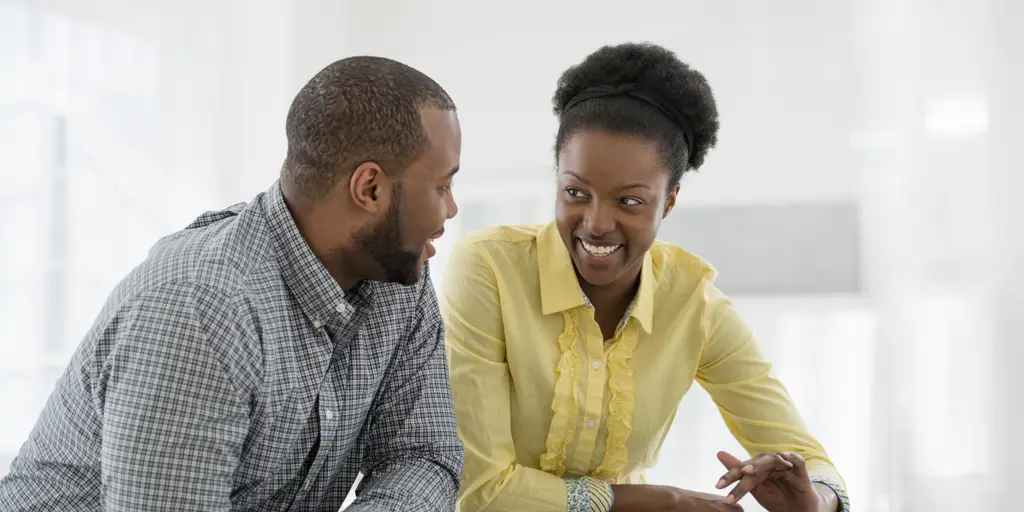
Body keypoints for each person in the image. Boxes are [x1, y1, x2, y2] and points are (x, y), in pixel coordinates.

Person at [0, 56, 464, 511]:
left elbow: (424, 457)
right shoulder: (200, 305)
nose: (451, 211)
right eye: (441, 187)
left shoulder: (398, 274)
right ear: (370, 189)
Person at [442, 43, 850, 512]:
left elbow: (812, 462)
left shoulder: (694, 304)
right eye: (576, 192)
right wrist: (665, 500)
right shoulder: (488, 268)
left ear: (669, 202)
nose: (596, 223)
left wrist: (814, 502)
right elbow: (482, 491)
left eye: (629, 201)